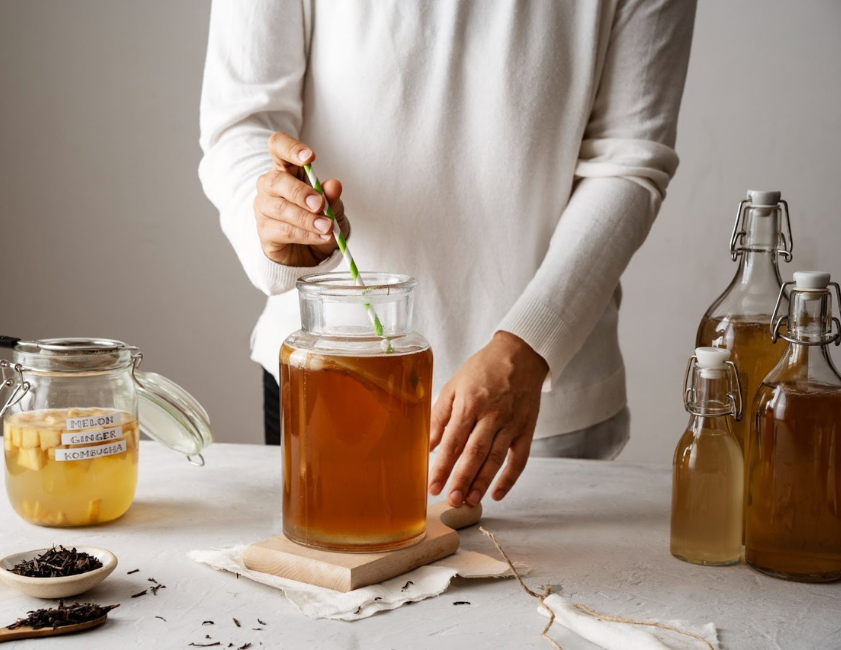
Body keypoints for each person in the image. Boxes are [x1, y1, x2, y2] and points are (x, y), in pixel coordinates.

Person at [200, 1, 696, 507]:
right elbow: (243, 124)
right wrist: (278, 228)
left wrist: (527, 345)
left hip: (536, 396)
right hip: (328, 379)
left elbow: (629, 160)